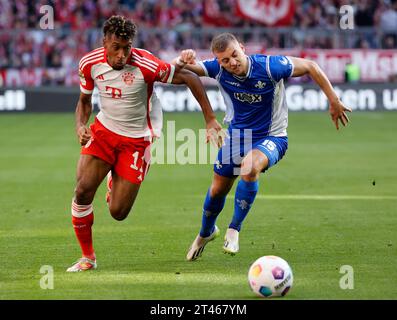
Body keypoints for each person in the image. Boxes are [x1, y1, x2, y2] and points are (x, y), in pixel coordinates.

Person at [173, 33, 352, 261]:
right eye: (224, 60)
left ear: (242, 48)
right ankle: (206, 233)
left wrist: (333, 99)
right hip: (237, 136)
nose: (231, 63)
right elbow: (177, 71)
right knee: (218, 189)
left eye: (234, 55)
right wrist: (181, 59)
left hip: (272, 137)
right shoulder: (218, 70)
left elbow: (310, 66)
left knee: (249, 167)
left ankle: (234, 228)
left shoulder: (270, 67)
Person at [67, 15, 223, 272]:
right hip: (104, 131)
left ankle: (113, 181)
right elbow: (84, 101)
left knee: (118, 212)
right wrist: (80, 126)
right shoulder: (89, 63)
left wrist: (210, 118)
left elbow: (190, 78)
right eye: (115, 47)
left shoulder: (146, 64)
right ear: (105, 42)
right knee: (83, 190)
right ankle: (88, 258)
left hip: (138, 139)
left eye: (126, 48)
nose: (121, 55)